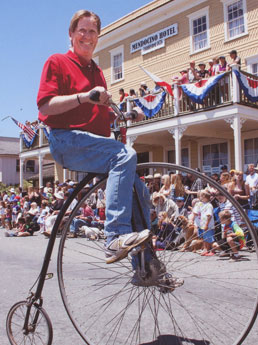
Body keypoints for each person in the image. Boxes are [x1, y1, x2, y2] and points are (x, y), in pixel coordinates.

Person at [37, 10, 151, 265]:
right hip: (65, 140)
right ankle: (114, 237)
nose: (87, 37)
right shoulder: (57, 61)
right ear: (71, 34)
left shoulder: (97, 73)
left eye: (93, 32)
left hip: (92, 144)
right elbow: (45, 108)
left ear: (98, 37)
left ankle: (146, 267)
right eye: (82, 31)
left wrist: (126, 115)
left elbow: (96, 118)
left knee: (140, 192)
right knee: (125, 154)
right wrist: (85, 96)